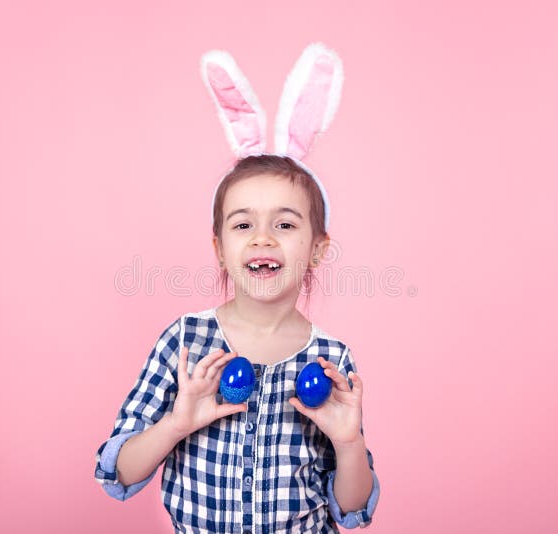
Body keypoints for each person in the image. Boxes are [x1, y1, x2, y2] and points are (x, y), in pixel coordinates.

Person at [94, 44, 380, 533]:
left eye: (286, 225)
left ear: (317, 249)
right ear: (220, 248)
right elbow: (117, 472)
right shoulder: (185, 343)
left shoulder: (333, 359)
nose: (263, 238)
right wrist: (176, 424)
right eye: (243, 224)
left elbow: (352, 512)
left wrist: (350, 444)